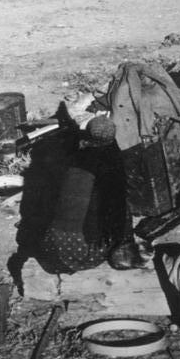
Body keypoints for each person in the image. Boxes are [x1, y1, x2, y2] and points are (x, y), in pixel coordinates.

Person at [35, 116, 145, 274]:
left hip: (50, 246)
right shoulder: (107, 169)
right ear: (112, 138)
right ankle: (123, 247)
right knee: (121, 208)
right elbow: (105, 217)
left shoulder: (71, 157)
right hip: (81, 254)